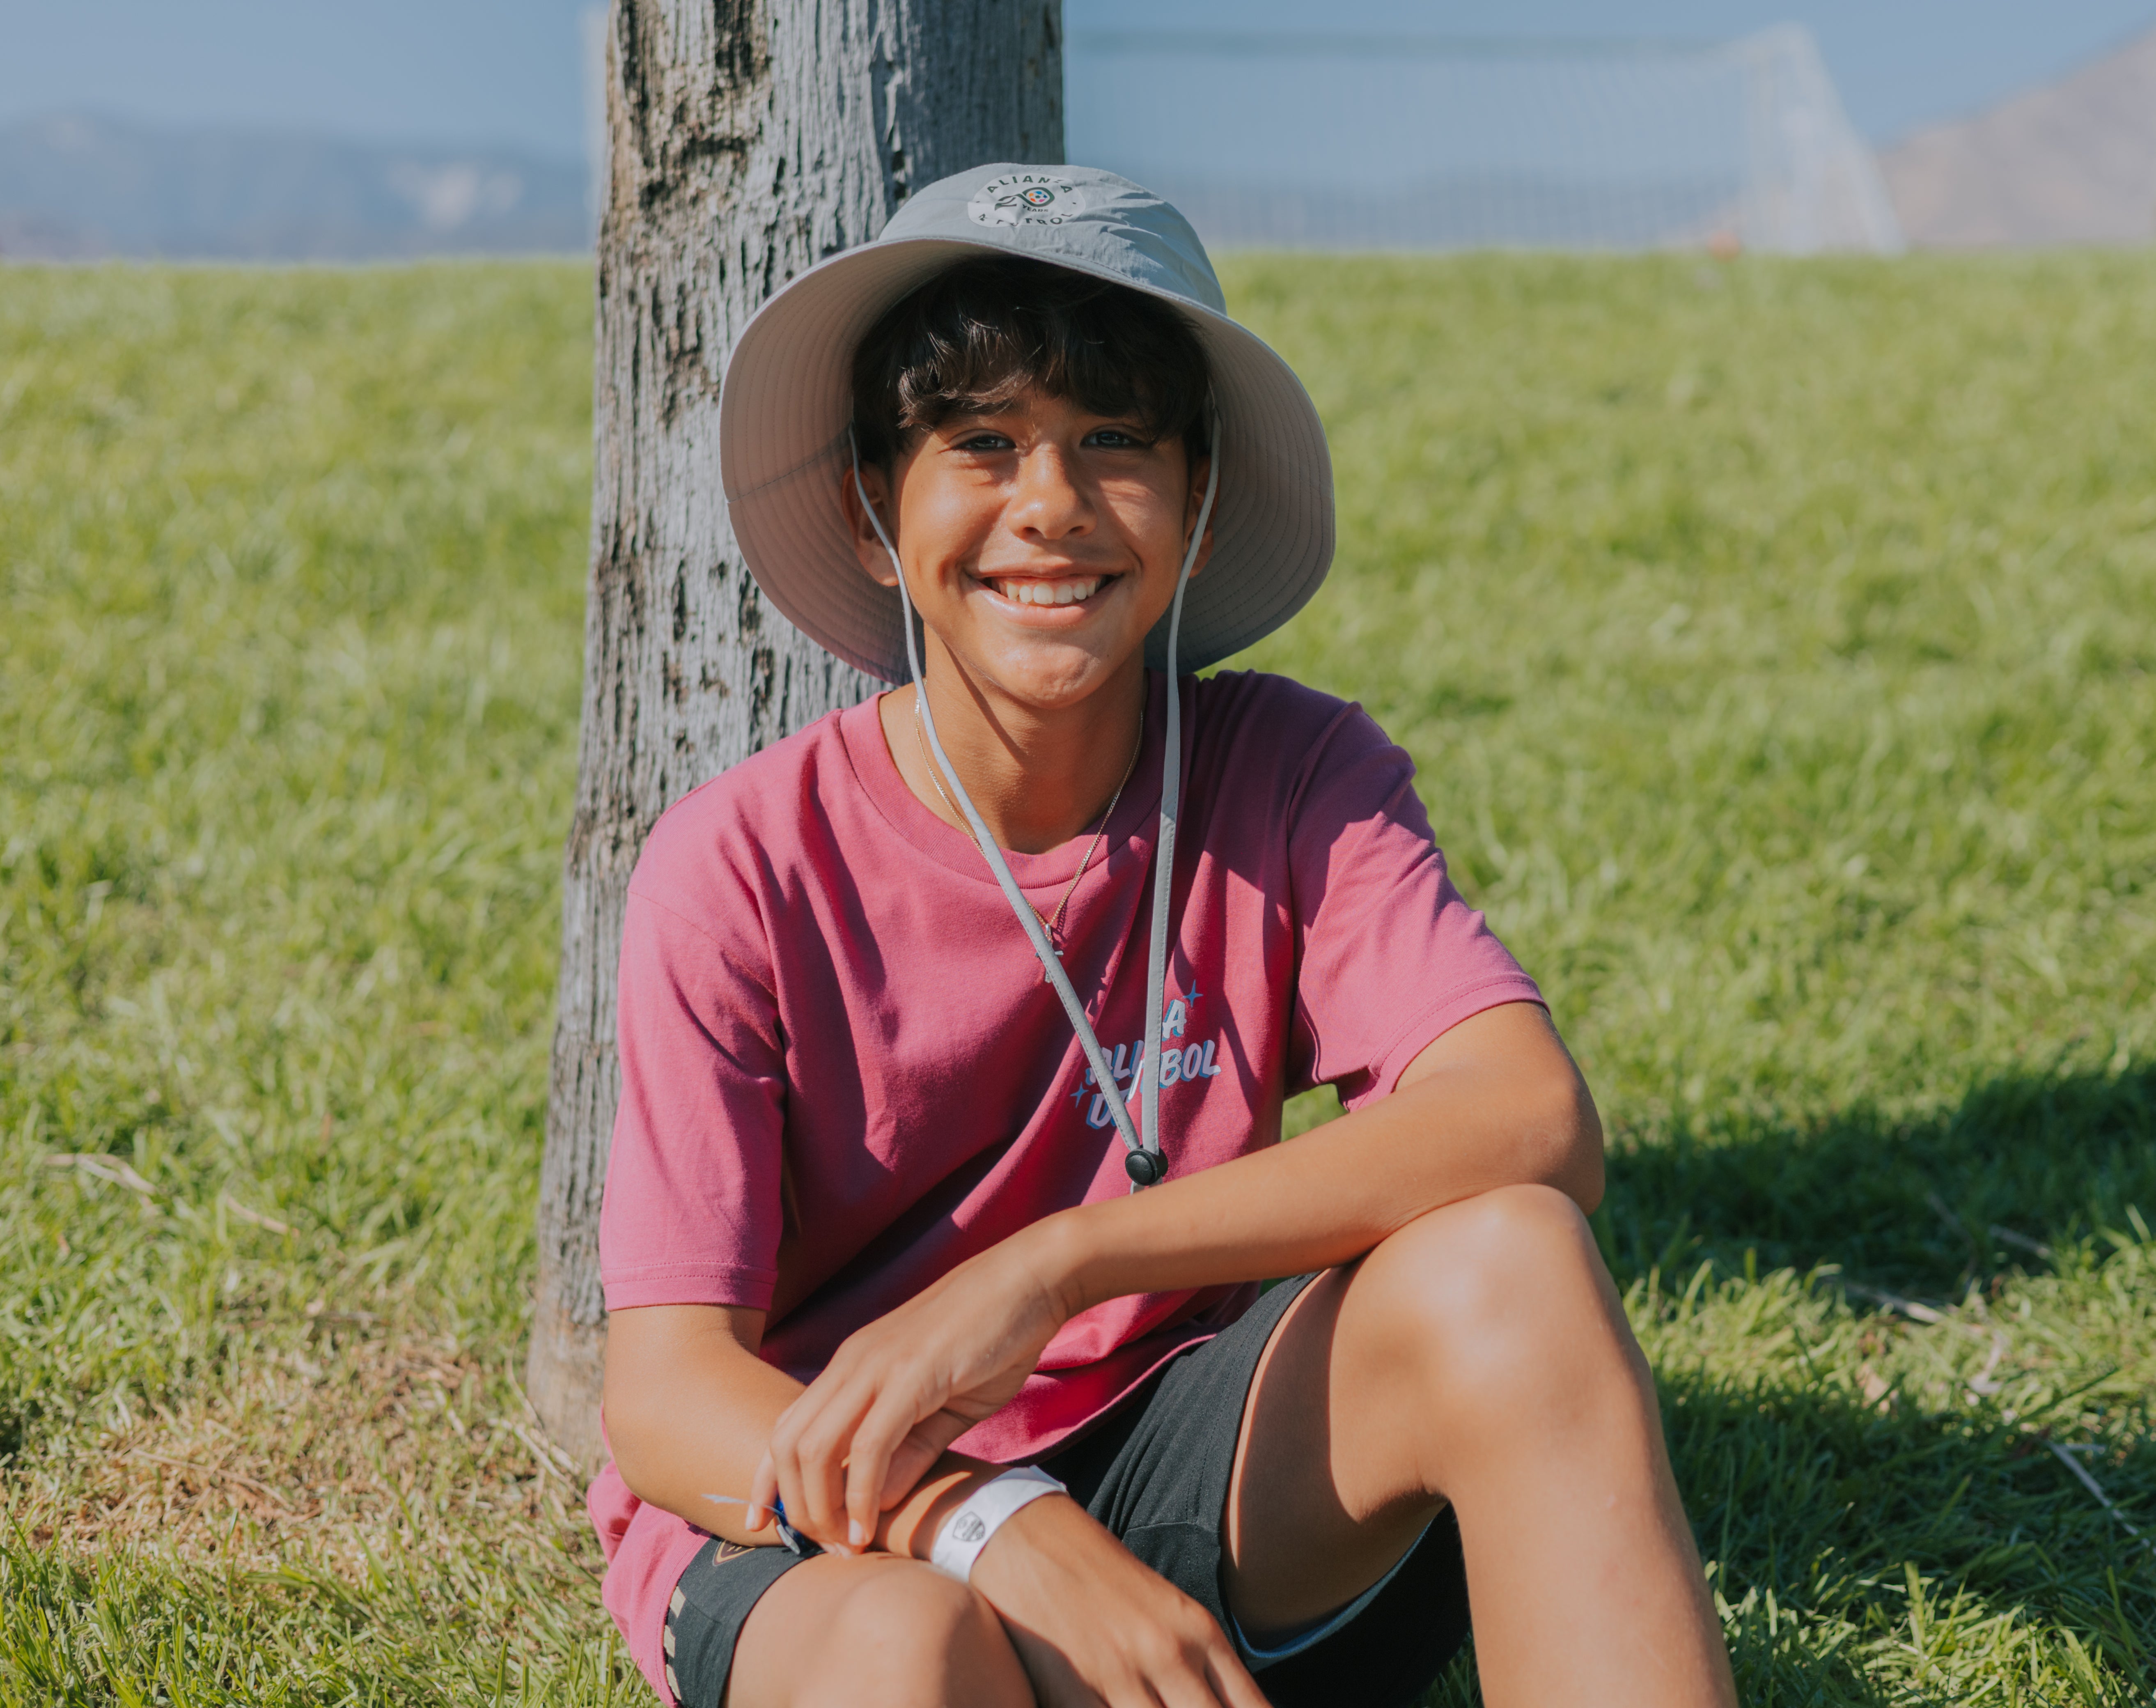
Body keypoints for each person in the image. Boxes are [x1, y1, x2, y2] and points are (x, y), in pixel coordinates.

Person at [588, 163, 1737, 1708]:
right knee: (903, 1651)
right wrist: (987, 1519)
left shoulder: (1291, 770)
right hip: (839, 1507)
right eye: (978, 446)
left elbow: (1529, 1121)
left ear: (1195, 504)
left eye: (1114, 443)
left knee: (1511, 1264)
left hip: (1187, 1449)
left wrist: (1054, 1269)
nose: (1050, 503)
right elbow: (667, 1397)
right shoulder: (736, 861)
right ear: (875, 515)